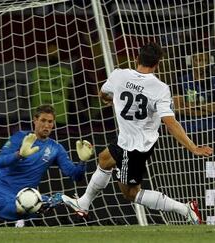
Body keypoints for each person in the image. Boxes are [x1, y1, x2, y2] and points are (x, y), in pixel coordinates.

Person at [62, 42, 213, 224]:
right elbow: (170, 123)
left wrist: (112, 99)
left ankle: (185, 210)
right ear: (157, 64)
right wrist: (193, 147)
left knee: (131, 193)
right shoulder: (160, 88)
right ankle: (83, 204)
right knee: (104, 159)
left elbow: (102, 94)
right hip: (131, 140)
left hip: (134, 148)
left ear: (136, 58)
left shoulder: (119, 75)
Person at [172, 50, 215, 132]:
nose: (201, 64)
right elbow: (178, 108)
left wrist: (196, 105)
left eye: (204, 60)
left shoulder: (213, 81)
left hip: (211, 128)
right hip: (188, 129)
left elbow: (188, 107)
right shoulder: (181, 81)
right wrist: (208, 109)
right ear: (192, 62)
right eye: (198, 60)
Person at [31, 44, 73, 125]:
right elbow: (29, 93)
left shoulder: (66, 72)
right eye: (51, 54)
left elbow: (71, 95)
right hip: (42, 116)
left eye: (54, 54)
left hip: (58, 116)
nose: (53, 56)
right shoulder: (37, 71)